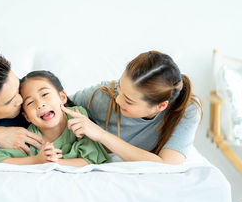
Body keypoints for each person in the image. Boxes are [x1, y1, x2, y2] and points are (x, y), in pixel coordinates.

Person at [62, 50, 202, 165]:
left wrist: (101, 135)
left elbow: (167, 164)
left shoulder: (186, 110)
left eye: (128, 100)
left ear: (161, 106)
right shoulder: (103, 96)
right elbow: (57, 105)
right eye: (120, 87)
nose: (117, 99)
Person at [0, 70, 110, 167]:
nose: (40, 104)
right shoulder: (30, 138)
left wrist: (53, 162)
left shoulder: (77, 117)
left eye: (45, 94)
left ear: (62, 97)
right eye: (30, 102)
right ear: (27, 117)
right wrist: (36, 160)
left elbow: (92, 159)